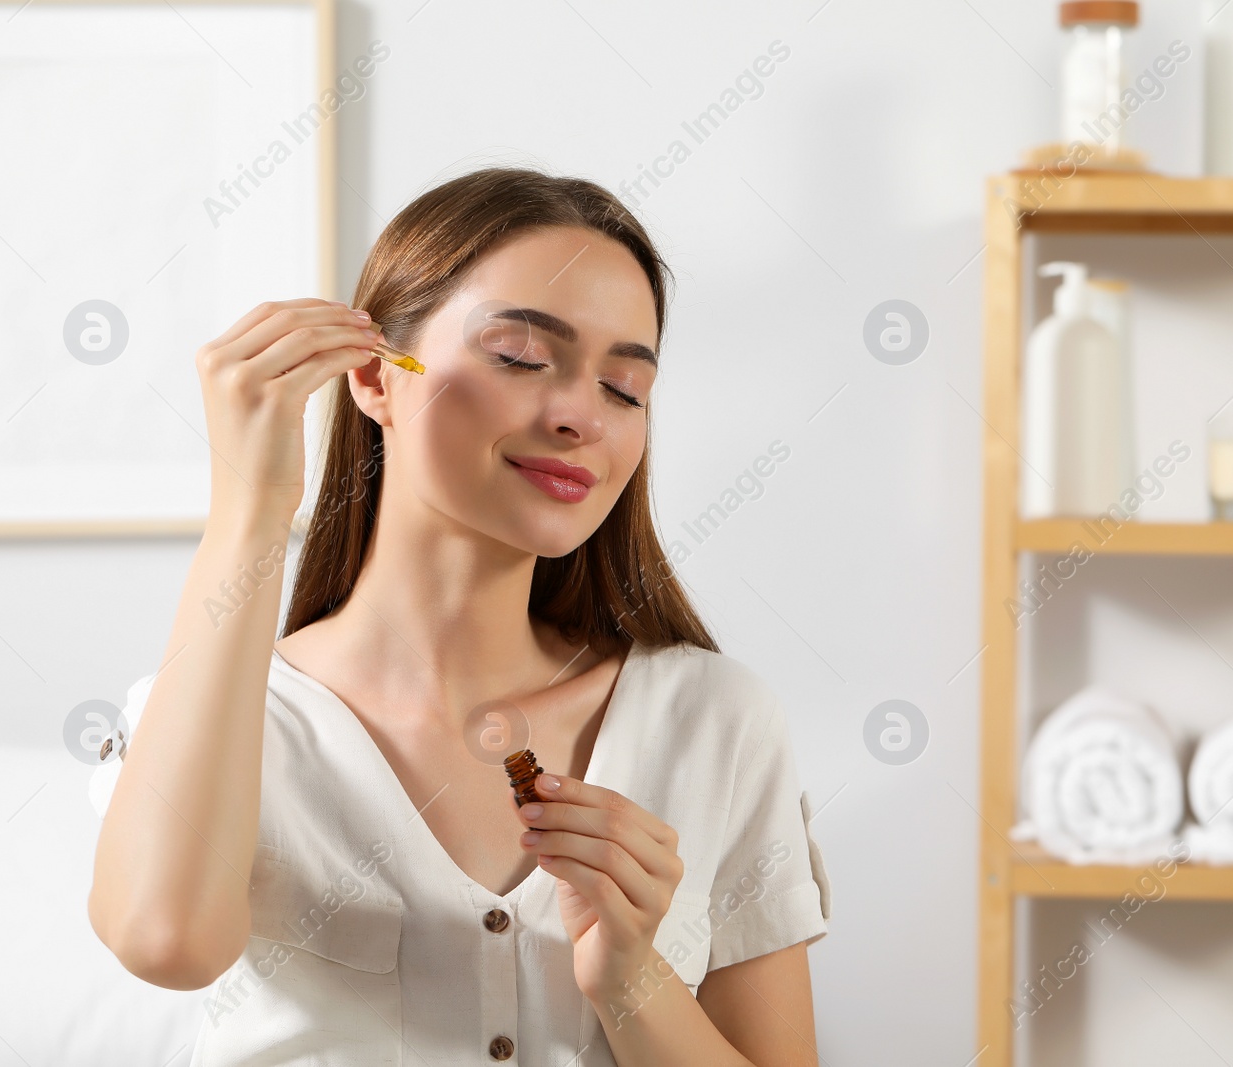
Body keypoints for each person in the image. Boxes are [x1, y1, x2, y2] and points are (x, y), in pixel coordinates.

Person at [87, 166, 831, 1066]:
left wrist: (632, 977)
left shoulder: (716, 718)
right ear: (374, 376)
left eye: (625, 390)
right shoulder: (218, 713)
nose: (579, 418)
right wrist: (248, 514)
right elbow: (167, 941)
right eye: (520, 356)